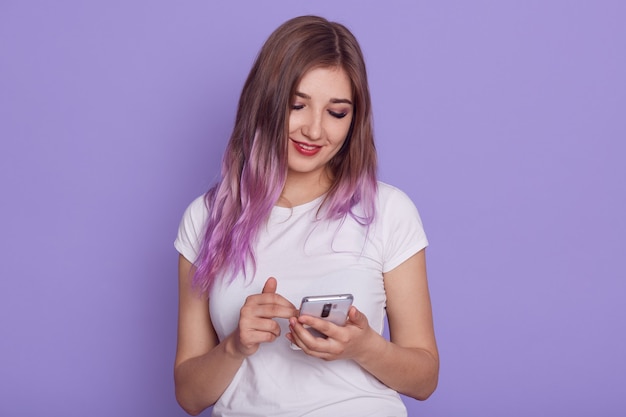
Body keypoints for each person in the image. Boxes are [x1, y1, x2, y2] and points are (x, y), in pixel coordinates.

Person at [174, 15, 439, 417]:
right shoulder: (206, 219)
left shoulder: (387, 211)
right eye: (297, 105)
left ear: (354, 120)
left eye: (337, 113)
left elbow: (425, 379)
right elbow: (190, 397)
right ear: (264, 102)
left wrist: (364, 346)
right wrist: (234, 346)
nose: (314, 130)